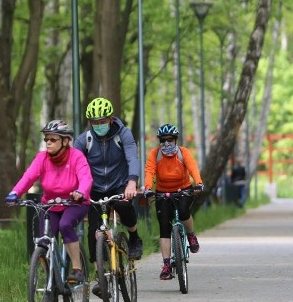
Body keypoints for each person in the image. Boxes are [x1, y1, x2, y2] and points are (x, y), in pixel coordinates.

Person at [5, 120, 92, 283]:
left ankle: (77, 269)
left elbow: (86, 178)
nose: (48, 143)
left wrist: (81, 192)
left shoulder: (76, 156)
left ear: (65, 141)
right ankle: (50, 282)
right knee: (43, 241)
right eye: (46, 139)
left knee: (65, 225)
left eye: (53, 139)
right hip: (50, 205)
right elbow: (29, 176)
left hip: (74, 203)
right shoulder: (42, 158)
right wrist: (15, 192)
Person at [73, 97, 144, 260]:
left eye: (102, 121)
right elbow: (73, 164)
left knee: (123, 205)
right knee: (93, 230)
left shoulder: (123, 134)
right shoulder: (84, 140)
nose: (98, 125)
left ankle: (134, 237)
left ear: (111, 119)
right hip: (94, 188)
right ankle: (100, 273)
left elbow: (132, 158)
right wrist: (75, 188)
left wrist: (132, 183)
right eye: (94, 122)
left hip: (119, 184)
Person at [143, 124, 204, 280]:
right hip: (162, 192)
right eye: (163, 141)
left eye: (170, 140)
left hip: (183, 189)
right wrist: (148, 188)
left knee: (184, 212)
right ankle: (166, 265)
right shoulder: (155, 154)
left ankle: (191, 235)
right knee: (164, 225)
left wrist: (198, 182)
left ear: (176, 140)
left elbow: (192, 167)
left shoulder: (183, 153)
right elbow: (150, 171)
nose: (166, 144)